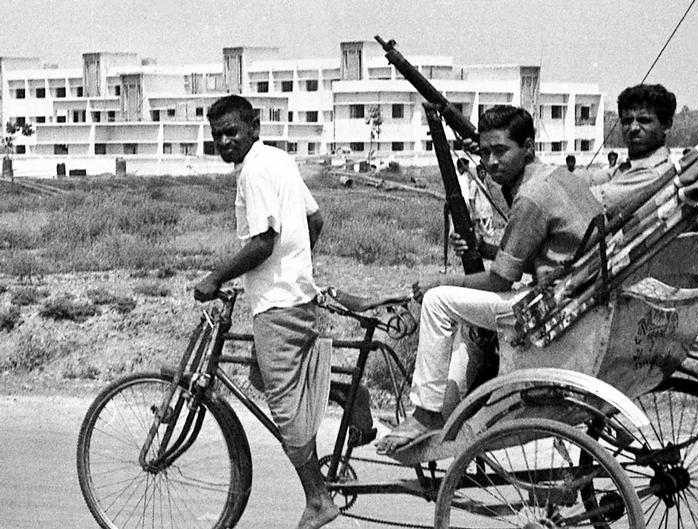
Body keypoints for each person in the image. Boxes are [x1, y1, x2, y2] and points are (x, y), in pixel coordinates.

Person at [374, 105, 603, 454]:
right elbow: (544, 255)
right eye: (485, 152)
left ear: (527, 147)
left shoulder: (530, 198)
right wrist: (486, 247)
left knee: (437, 302)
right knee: (466, 317)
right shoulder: (558, 178)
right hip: (574, 293)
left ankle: (426, 413)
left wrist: (439, 281)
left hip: (551, 306)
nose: (492, 162)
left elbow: (500, 282)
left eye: (500, 151)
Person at [193, 94, 340, 529]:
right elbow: (315, 221)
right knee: (270, 377)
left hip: (277, 306)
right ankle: (355, 398)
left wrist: (215, 278)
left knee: (284, 408)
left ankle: (317, 500)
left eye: (232, 132)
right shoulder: (277, 160)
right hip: (296, 295)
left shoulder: (254, 172)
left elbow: (261, 243)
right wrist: (295, 266)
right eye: (217, 136)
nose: (224, 142)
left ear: (254, 127)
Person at [590, 84, 676, 216]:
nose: (633, 127)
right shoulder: (633, 166)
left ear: (666, 125)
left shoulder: (654, 175)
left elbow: (593, 199)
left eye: (644, 120)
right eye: (627, 121)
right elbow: (592, 178)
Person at [455, 157, 495, 238]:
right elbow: (471, 198)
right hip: (466, 206)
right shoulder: (459, 178)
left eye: (484, 172)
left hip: (482, 210)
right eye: (467, 166)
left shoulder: (466, 177)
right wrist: (475, 212)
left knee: (487, 233)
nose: (468, 168)